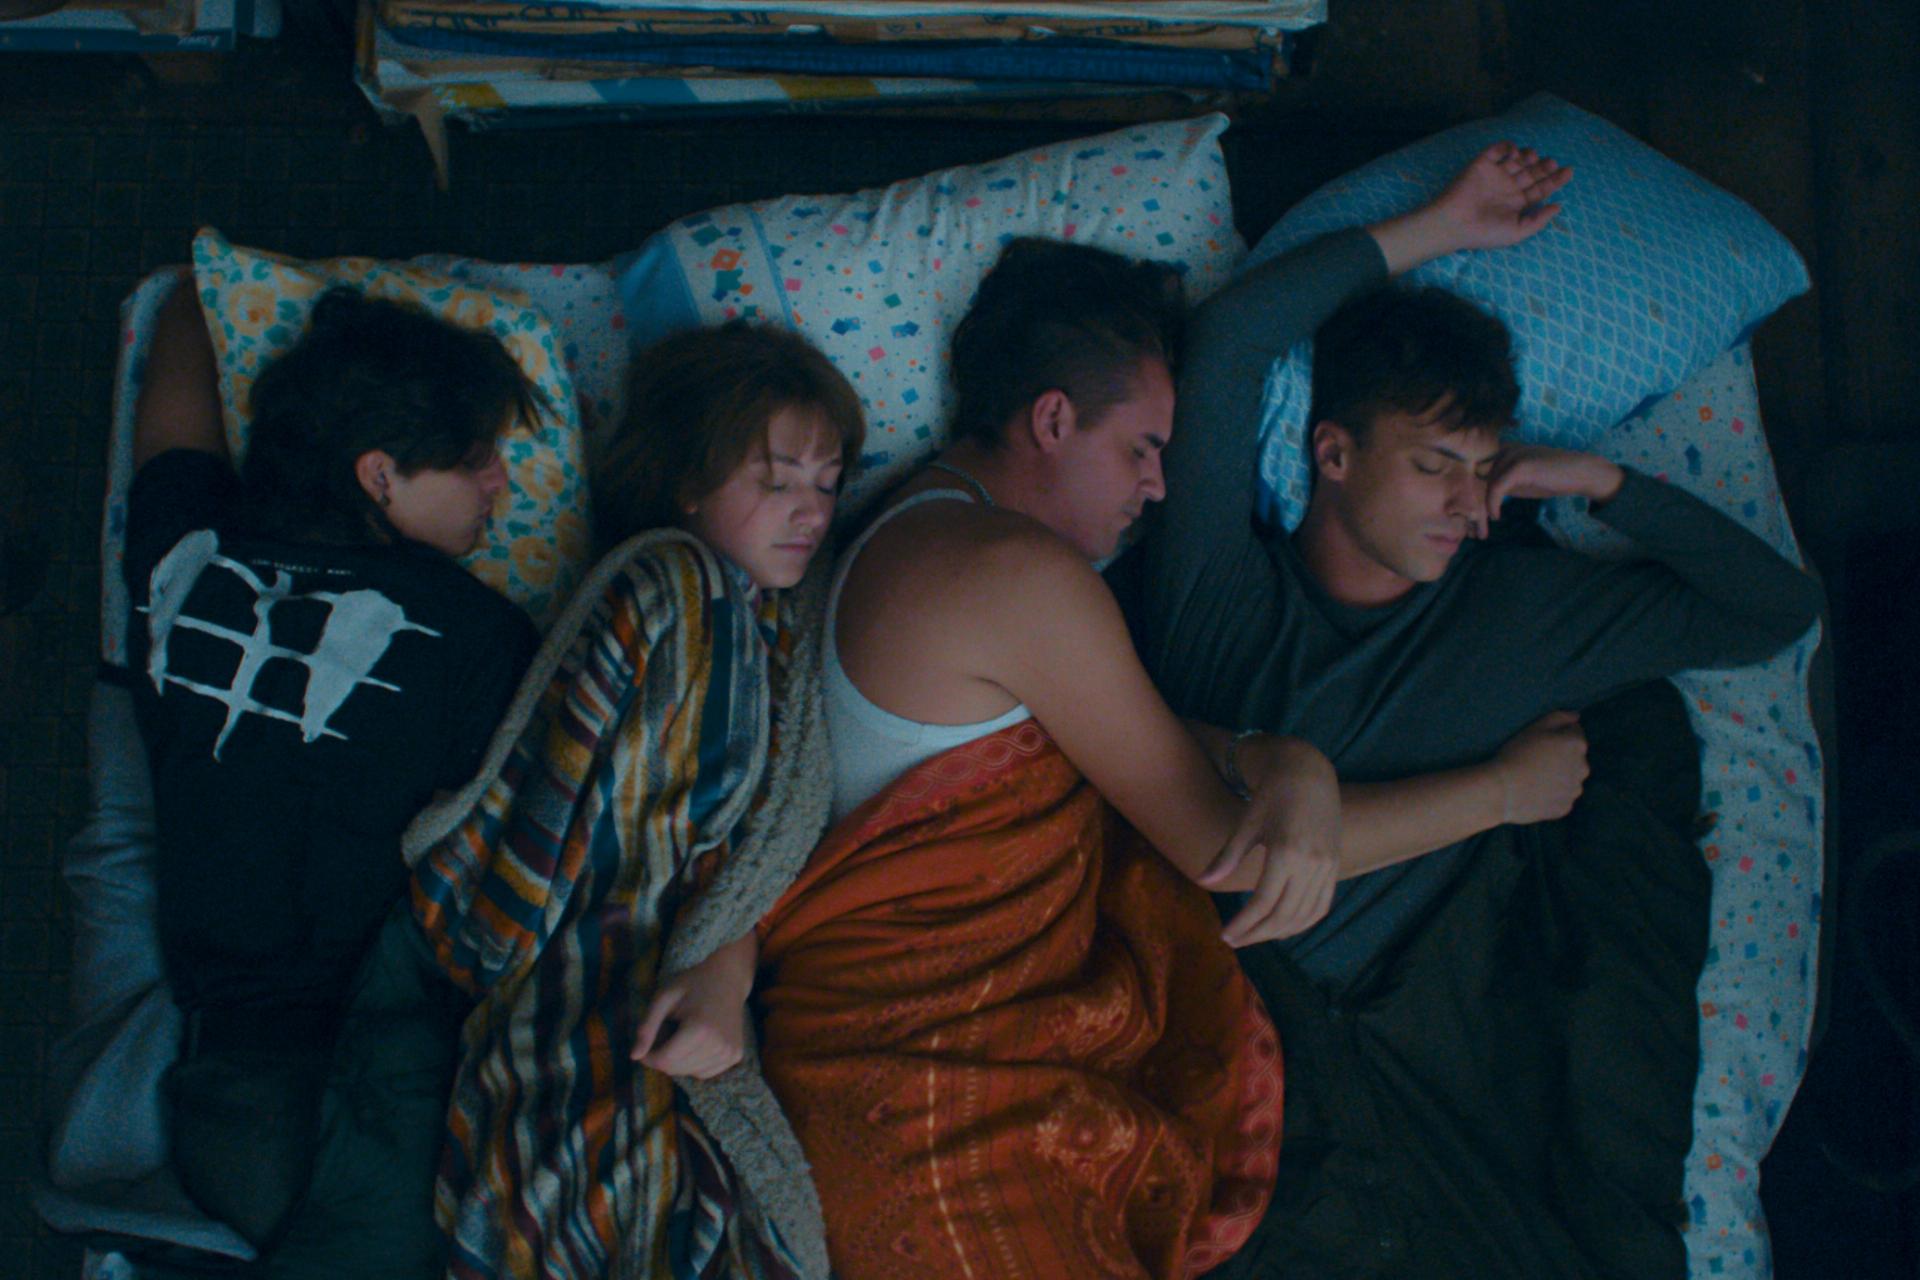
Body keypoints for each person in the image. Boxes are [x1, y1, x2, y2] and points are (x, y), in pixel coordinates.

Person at [1130, 143, 1824, 1278]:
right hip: (1247, 1031)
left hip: (1444, 1023)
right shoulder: (1222, 593)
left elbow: (1774, 610)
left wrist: (1598, 482)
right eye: (1433, 464)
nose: (1466, 501)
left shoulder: (1518, 614)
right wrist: (1441, 226)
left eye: (1483, 465)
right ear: (1332, 452)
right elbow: (1233, 341)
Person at [749, 231, 1350, 1280]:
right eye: (1141, 449)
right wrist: (1498, 791)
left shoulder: (912, 523)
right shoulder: (1018, 576)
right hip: (932, 1092)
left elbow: (1121, 736)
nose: (1157, 488)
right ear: (1054, 419)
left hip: (892, 1072)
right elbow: (1233, 853)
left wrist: (1280, 759)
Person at [404, 320, 863, 1280]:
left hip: (665, 1011)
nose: (811, 512)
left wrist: (728, 948)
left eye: (828, 484)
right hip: (596, 1006)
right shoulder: (682, 591)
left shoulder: (778, 623)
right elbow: (645, 856)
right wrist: (721, 947)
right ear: (688, 482)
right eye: (776, 480)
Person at [123, 282, 542, 1263]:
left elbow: (173, 392)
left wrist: (194, 286)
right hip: (392, 1075)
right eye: (474, 458)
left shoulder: (187, 560)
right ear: (379, 474)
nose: (501, 484)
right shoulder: (479, 635)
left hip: (228, 1102)